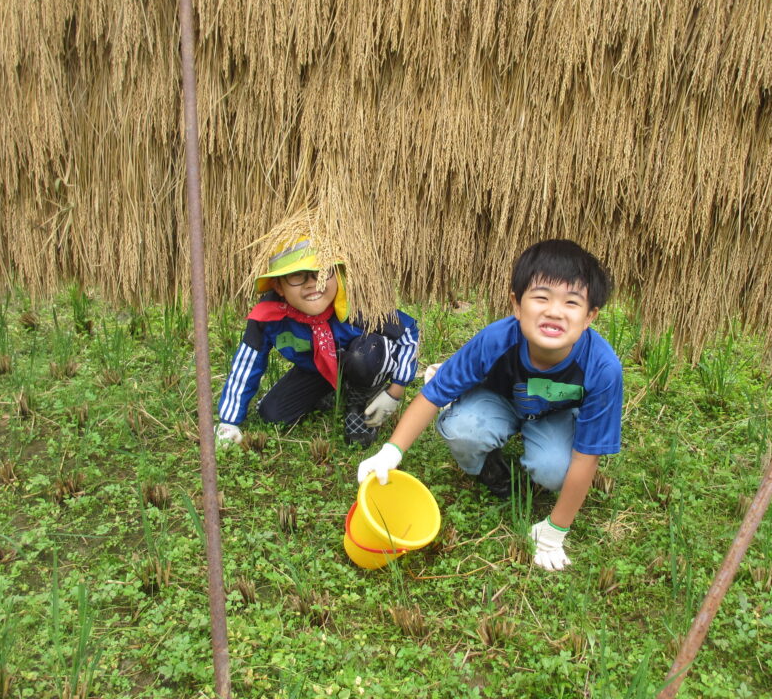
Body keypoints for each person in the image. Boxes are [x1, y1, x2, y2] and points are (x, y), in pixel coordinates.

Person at [357, 239, 622, 572]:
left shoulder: (603, 368)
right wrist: (391, 452)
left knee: (557, 469)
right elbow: (431, 394)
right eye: (541, 297)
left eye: (572, 302)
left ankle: (535, 469)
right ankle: (488, 468)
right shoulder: (496, 339)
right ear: (517, 304)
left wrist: (556, 531)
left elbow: (588, 454)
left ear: (590, 316)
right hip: (497, 402)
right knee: (464, 430)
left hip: (553, 415)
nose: (554, 311)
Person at [215, 237, 419, 448]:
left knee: (364, 356)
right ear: (279, 287)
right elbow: (247, 364)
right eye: (296, 275)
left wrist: (395, 391)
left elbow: (408, 333)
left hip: (365, 360)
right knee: (272, 414)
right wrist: (229, 421)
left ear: (337, 275)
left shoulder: (356, 306)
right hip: (316, 370)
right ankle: (334, 390)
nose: (312, 283)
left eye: (321, 272)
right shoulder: (268, 316)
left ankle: (360, 403)